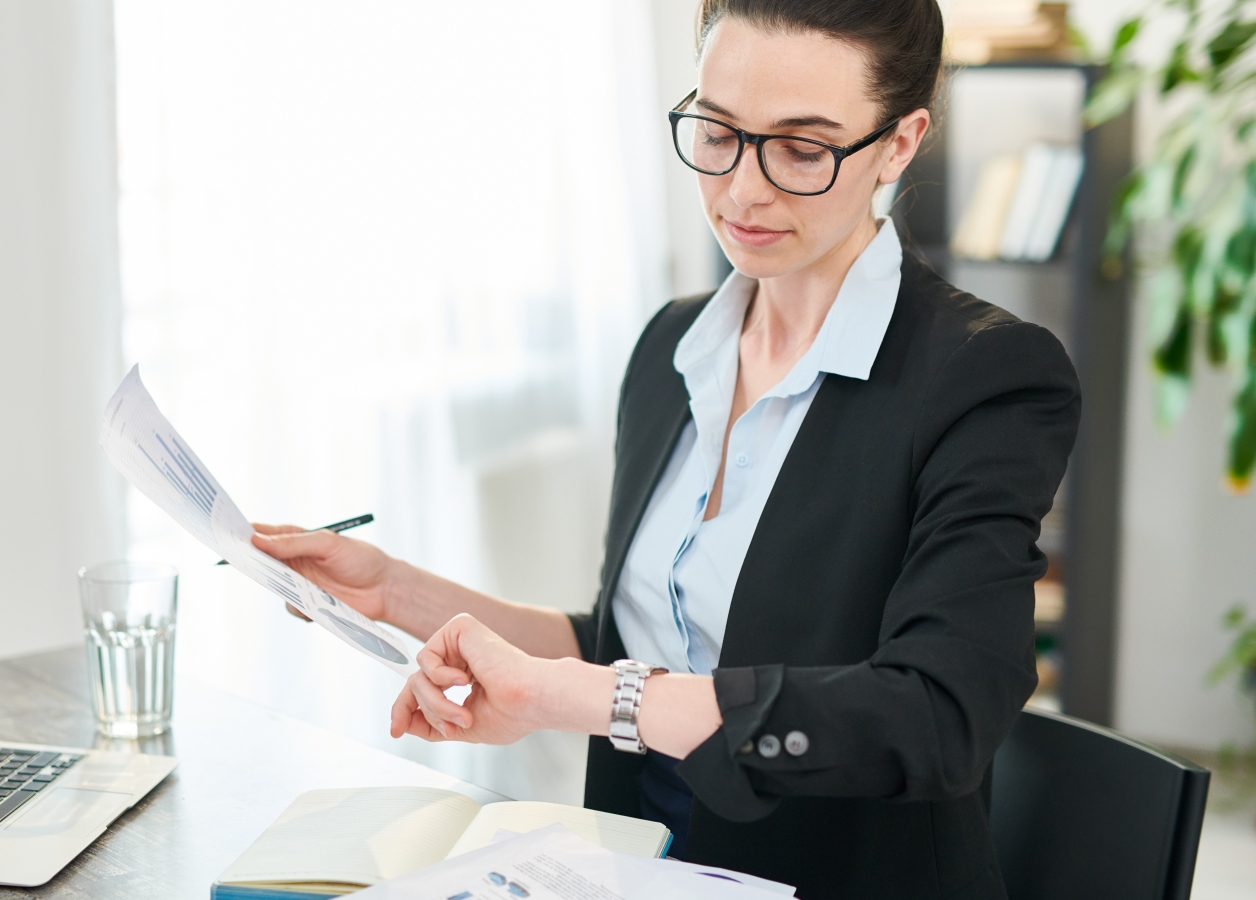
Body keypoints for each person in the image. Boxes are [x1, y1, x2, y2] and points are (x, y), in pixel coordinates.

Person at [253, 1, 1080, 897]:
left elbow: (936, 715)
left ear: (898, 143)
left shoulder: (984, 375)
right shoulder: (672, 350)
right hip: (632, 863)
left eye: (803, 148)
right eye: (718, 132)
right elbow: (630, 641)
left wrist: (574, 698)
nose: (743, 190)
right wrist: (391, 591)